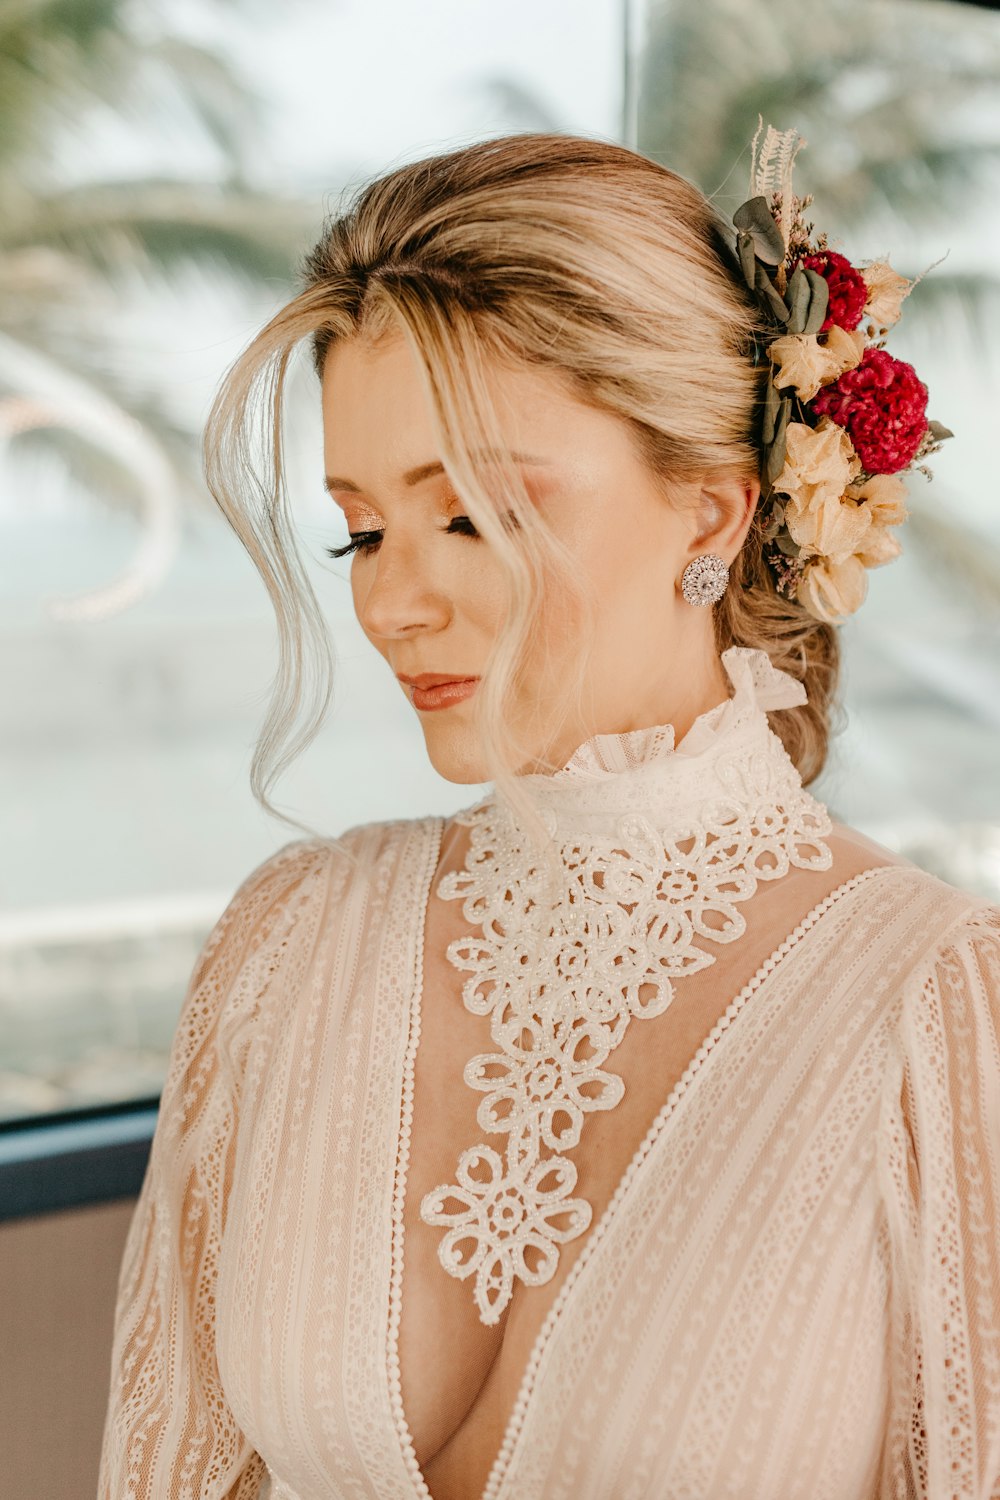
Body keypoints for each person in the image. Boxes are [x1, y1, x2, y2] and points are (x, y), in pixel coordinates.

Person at [98, 124, 1000, 1500]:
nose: (393, 602)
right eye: (360, 527)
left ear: (710, 510)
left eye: (471, 515)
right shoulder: (287, 944)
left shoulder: (935, 1008)